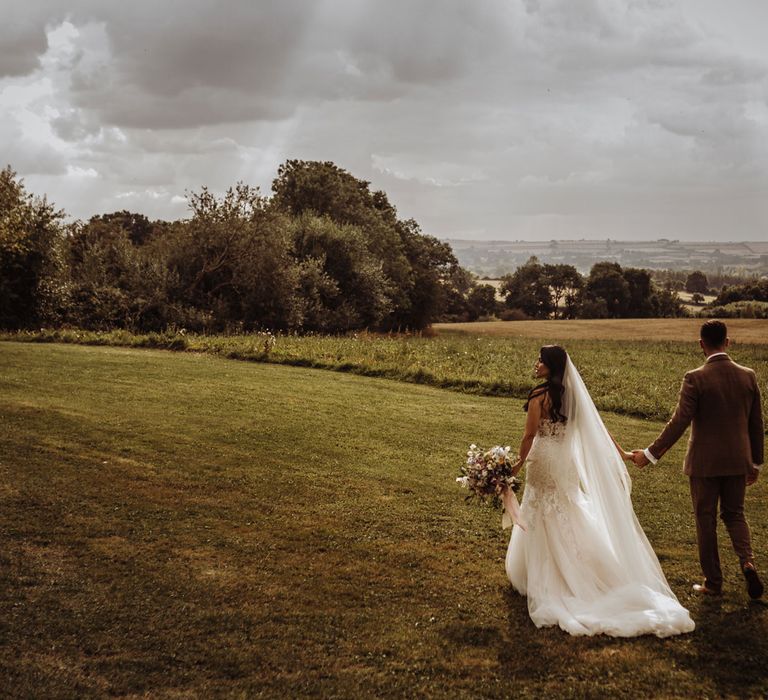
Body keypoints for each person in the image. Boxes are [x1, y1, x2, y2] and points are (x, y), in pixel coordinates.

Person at [505, 345, 695, 637]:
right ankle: (584, 567)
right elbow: (600, 430)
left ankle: (543, 576)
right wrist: (622, 454)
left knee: (540, 506)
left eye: (541, 360)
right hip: (564, 464)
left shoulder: (539, 396)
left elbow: (529, 435)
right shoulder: (573, 396)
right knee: (565, 507)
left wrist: (516, 466)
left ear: (551, 366)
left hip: (543, 461)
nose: (536, 364)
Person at [631, 320, 764, 599]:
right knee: (735, 514)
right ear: (727, 342)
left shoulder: (695, 377)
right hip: (739, 460)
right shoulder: (748, 375)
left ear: (701, 344)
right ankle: (748, 562)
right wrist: (756, 463)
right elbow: (756, 424)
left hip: (704, 463)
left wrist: (651, 453)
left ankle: (713, 583)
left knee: (706, 520)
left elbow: (679, 422)